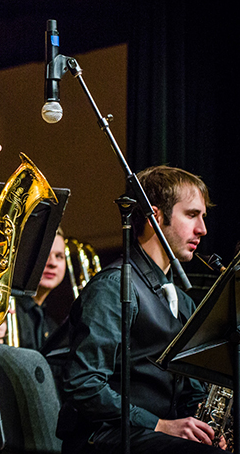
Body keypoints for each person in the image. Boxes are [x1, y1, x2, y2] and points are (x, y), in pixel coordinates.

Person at [57, 165, 222, 453]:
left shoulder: (184, 301)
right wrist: (158, 424)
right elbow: (82, 383)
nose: (202, 230)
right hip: (106, 438)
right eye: (191, 215)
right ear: (155, 216)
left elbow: (191, 389)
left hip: (155, 435)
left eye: (203, 217)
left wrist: (202, 428)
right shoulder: (113, 287)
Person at [12, 227, 66, 350]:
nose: (53, 263)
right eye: (44, 254)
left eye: (59, 256)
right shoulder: (8, 314)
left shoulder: (52, 327)